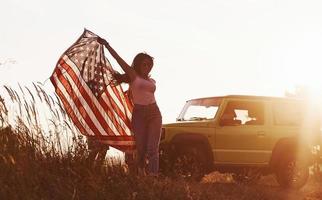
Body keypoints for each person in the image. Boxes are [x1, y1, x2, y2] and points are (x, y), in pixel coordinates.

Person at [98, 37, 162, 176]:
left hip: (154, 113)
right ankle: (140, 172)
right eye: (144, 64)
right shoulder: (133, 76)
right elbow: (118, 59)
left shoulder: (151, 80)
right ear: (138, 65)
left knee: (153, 148)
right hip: (139, 114)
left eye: (149, 64)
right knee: (141, 148)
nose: (147, 67)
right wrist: (107, 45)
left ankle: (153, 177)